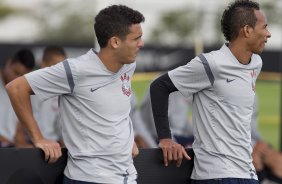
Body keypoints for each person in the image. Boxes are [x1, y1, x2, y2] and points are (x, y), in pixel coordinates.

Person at [6, 5, 144, 184]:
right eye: (137, 38)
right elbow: (16, 88)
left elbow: (114, 109)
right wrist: (38, 138)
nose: (141, 43)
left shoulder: (128, 65)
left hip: (127, 176)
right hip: (89, 179)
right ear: (115, 42)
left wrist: (126, 141)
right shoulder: (76, 70)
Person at [150, 0, 271, 184]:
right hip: (216, 176)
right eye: (265, 27)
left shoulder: (256, 63)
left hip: (247, 173)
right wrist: (166, 138)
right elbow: (159, 86)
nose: (268, 34)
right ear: (247, 30)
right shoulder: (210, 64)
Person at [14, 46, 66, 147]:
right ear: (43, 65)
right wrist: (26, 146)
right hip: (32, 146)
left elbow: (62, 129)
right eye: (55, 66)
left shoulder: (62, 90)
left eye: (62, 68)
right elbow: (19, 127)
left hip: (53, 146)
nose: (60, 72)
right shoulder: (26, 87)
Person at [0, 49, 35, 148]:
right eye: (16, 72)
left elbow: (19, 130)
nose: (16, 79)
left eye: (21, 76)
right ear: (9, 63)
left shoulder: (21, 89)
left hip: (11, 148)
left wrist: (22, 144)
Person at [251, 97, 282, 184]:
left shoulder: (253, 92)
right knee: (255, 160)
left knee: (279, 162)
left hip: (254, 141)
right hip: (235, 142)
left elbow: (252, 128)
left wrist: (261, 143)